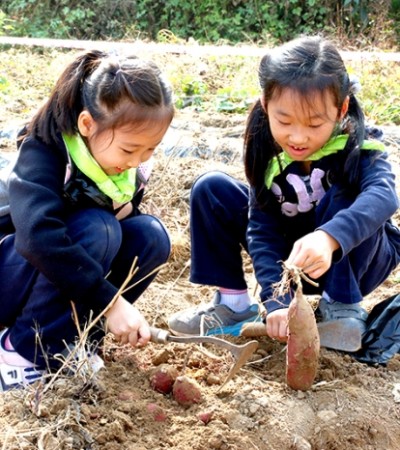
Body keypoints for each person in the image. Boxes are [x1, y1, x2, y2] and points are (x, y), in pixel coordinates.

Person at [168, 35, 400, 343]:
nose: (298, 137)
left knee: (345, 193)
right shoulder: (265, 152)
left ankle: (342, 308)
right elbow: (262, 230)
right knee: (212, 189)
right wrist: (275, 300)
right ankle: (233, 306)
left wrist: (329, 238)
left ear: (342, 108)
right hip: (292, 264)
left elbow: (384, 196)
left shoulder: (360, 147)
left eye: (314, 124)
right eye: (284, 121)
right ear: (266, 104)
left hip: (356, 262)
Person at [0, 50, 174, 390]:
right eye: (128, 150)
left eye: (149, 150)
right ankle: (20, 351)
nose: (137, 160)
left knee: (149, 236)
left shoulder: (128, 170)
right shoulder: (45, 150)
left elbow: (124, 240)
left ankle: (74, 341)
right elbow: (37, 239)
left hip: (50, 278)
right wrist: (110, 302)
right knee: (99, 228)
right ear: (87, 125)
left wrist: (109, 306)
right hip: (10, 274)